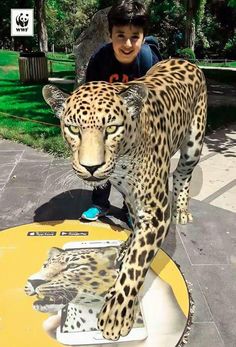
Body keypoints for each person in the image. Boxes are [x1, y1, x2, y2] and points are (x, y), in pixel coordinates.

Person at [81, 0, 161, 225]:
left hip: (138, 124)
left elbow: (157, 99)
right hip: (107, 123)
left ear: (143, 37)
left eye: (135, 36)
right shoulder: (99, 60)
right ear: (110, 35)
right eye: (121, 35)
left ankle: (129, 206)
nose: (127, 43)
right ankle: (99, 203)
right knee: (101, 158)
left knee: (133, 167)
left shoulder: (149, 60)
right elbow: (90, 98)